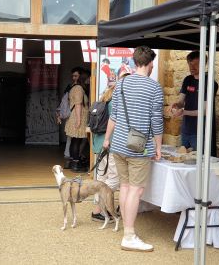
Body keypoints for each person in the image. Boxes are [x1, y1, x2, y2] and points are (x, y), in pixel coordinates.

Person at [103, 46, 163, 252]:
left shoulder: (121, 84)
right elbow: (156, 122)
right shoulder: (155, 88)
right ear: (149, 64)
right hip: (139, 148)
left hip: (118, 144)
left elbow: (114, 115)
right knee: (135, 191)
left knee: (126, 187)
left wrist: (107, 139)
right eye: (153, 63)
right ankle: (129, 235)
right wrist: (158, 147)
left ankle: (127, 231)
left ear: (135, 62)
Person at [170, 51, 219, 156]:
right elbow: (181, 101)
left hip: (200, 132)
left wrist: (184, 112)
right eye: (190, 64)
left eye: (195, 64)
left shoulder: (210, 83)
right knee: (183, 159)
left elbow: (205, 111)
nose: (192, 67)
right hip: (186, 130)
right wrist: (176, 105)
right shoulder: (187, 80)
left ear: (204, 64)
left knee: (197, 162)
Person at [91, 82, 119, 222]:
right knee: (114, 177)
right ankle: (103, 209)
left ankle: (98, 211)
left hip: (100, 145)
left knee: (102, 177)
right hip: (111, 145)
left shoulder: (103, 100)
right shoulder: (115, 103)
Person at [64, 70, 89, 173]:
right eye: (87, 77)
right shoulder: (78, 88)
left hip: (75, 117)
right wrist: (78, 120)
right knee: (76, 141)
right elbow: (78, 104)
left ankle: (74, 163)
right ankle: (75, 164)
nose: (89, 79)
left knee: (75, 141)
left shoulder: (75, 87)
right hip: (77, 117)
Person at [57, 67, 81, 165]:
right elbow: (66, 102)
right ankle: (71, 156)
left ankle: (69, 155)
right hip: (73, 114)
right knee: (73, 137)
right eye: (73, 76)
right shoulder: (75, 87)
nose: (74, 78)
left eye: (76, 76)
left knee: (71, 137)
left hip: (71, 113)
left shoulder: (73, 86)